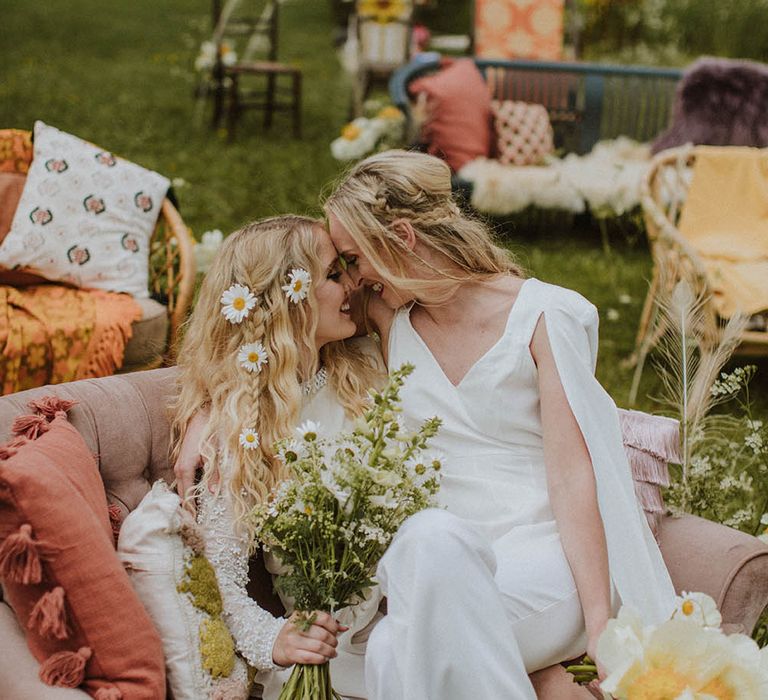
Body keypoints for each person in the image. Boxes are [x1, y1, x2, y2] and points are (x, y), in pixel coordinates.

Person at [320, 149, 677, 699]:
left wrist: (602, 624)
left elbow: (573, 474)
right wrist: (205, 412)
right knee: (403, 613)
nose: (352, 277)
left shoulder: (543, 317)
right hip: (435, 564)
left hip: (543, 555)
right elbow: (275, 327)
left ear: (402, 237)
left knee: (396, 646)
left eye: (353, 257)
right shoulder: (391, 319)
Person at [170, 215, 384, 699]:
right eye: (334, 275)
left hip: (413, 606)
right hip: (336, 651)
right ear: (285, 300)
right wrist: (276, 640)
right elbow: (220, 577)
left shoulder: (369, 364)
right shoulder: (242, 431)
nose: (354, 283)